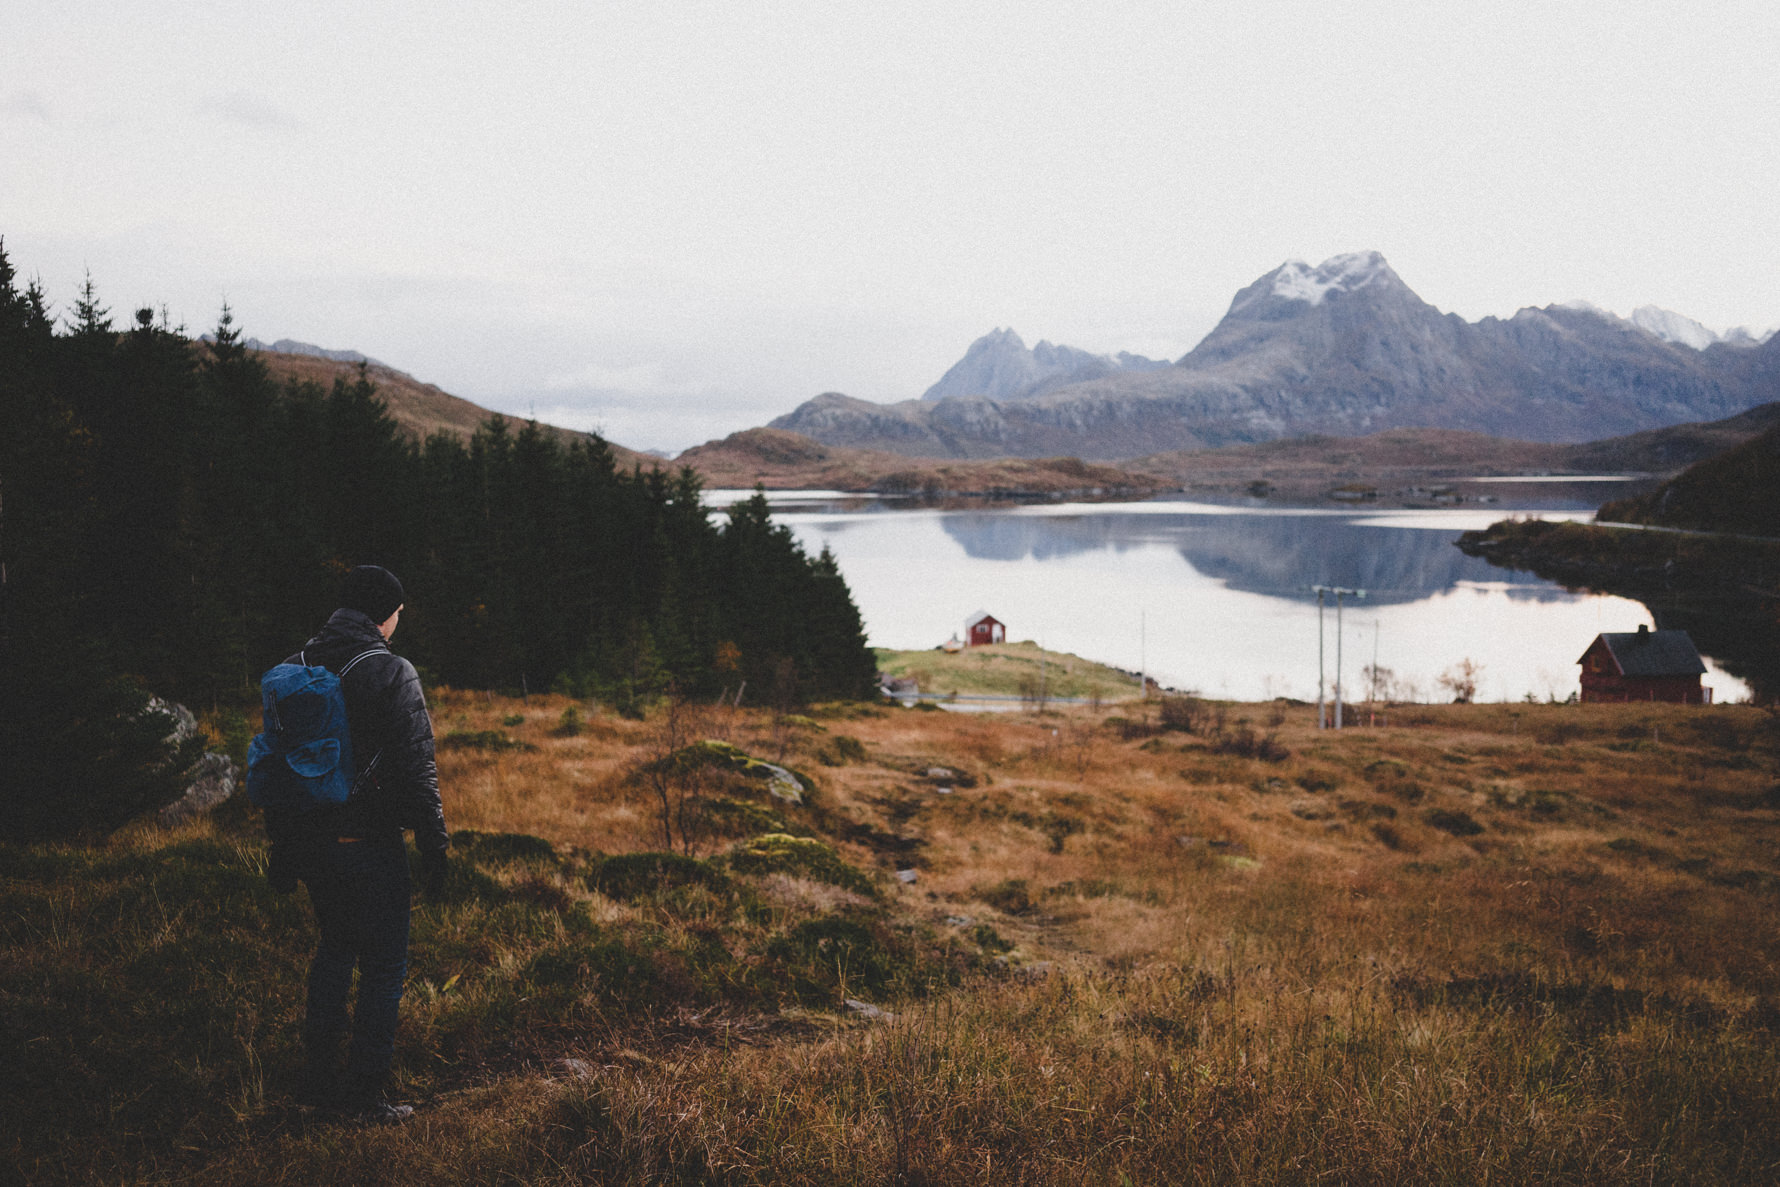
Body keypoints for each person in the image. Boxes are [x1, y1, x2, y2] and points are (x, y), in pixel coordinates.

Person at [264, 564, 448, 1122]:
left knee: (334, 950)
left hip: (311, 841)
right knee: (384, 966)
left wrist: (281, 848)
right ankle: (365, 1097)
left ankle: (318, 1084)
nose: (399, 621)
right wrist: (435, 846)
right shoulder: (391, 670)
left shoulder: (293, 668)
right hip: (371, 842)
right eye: (398, 612)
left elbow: (276, 766)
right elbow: (418, 767)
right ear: (383, 614)